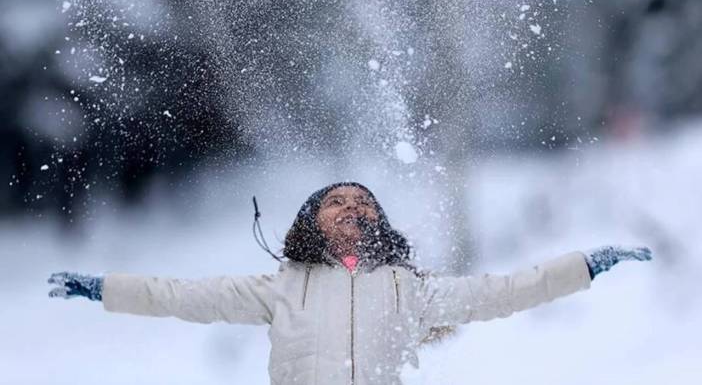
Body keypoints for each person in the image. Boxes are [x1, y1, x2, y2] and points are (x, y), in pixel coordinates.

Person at [48, 181, 652, 385]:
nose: (350, 208)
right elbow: (180, 296)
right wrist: (104, 288)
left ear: (379, 221)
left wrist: (586, 266)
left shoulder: (409, 289)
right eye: (335, 201)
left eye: (363, 201)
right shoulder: (281, 287)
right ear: (311, 220)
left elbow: (504, 291)